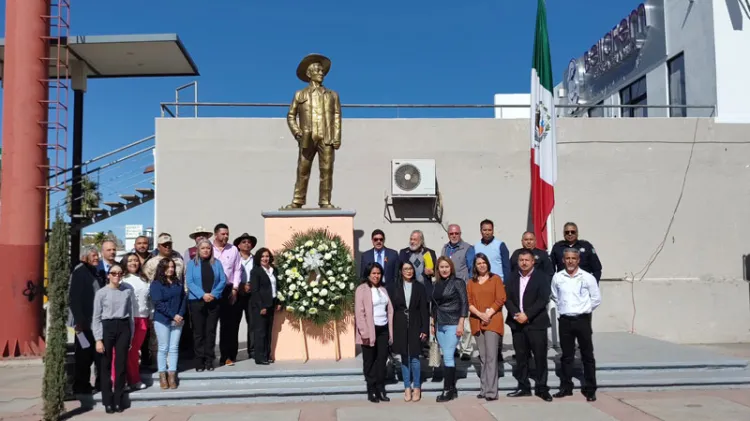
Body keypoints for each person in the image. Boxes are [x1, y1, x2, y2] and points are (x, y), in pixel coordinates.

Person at [283, 53, 342, 209]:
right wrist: (297, 132)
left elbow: (337, 116)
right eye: (317, 70)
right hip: (307, 137)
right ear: (309, 74)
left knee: (327, 171)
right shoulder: (300, 94)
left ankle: (325, 201)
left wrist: (337, 137)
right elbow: (290, 116)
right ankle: (298, 200)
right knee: (303, 169)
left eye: (322, 70)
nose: (321, 73)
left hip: (327, 137)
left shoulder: (332, 95)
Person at [551, 248, 602, 402]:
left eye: (574, 258)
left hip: (582, 320)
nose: (571, 261)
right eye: (568, 258)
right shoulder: (558, 277)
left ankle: (590, 389)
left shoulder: (587, 277)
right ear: (563, 260)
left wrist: (584, 310)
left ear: (578, 260)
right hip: (565, 321)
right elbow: (554, 295)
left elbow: (596, 298)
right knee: (566, 356)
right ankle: (566, 387)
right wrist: (565, 309)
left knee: (587, 355)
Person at [505, 249, 552, 402]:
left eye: (527, 260)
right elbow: (507, 298)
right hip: (517, 323)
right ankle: (523, 386)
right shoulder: (511, 277)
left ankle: (541, 387)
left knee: (540, 357)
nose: (524, 263)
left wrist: (527, 315)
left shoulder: (542, 277)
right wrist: (517, 314)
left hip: (536, 323)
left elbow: (543, 299)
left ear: (533, 262)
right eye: (521, 260)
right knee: (521, 357)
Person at [92, 263, 135, 414]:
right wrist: (98, 339)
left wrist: (131, 335)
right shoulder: (101, 293)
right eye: (114, 273)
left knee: (121, 365)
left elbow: (130, 314)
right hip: (107, 327)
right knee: (105, 365)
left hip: (123, 327)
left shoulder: (127, 291)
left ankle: (118, 399)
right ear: (108, 275)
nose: (117, 276)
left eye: (119, 273)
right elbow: (96, 317)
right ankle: (107, 401)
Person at [387, 261, 429, 402]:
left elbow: (424, 309)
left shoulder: (420, 287)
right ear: (401, 271)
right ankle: (406, 386)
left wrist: (425, 328)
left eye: (410, 268)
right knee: (404, 357)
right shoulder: (394, 287)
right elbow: (390, 309)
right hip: (399, 324)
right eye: (405, 269)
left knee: (415, 358)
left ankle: (416, 387)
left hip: (416, 323)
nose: (408, 271)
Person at [467, 253, 506, 401]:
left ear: (488, 263)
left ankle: (491, 391)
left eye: (484, 262)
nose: (482, 265)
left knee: (491, 357)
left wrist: (488, 313)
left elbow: (501, 298)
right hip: (477, 321)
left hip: (492, 321)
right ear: (475, 266)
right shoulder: (471, 282)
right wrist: (479, 314)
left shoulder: (495, 279)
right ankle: (483, 388)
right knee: (483, 357)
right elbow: (468, 301)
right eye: (479, 263)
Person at [355, 262, 394, 403]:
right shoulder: (362, 289)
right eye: (374, 273)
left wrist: (390, 332)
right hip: (369, 330)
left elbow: (389, 310)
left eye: (378, 273)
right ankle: (371, 390)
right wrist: (364, 332)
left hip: (383, 328)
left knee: (382, 359)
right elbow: (359, 313)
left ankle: (380, 389)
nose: (376, 276)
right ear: (368, 274)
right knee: (369, 361)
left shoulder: (383, 289)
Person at [68, 246, 105, 395]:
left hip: (93, 323)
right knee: (83, 355)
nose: (97, 258)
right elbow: (74, 298)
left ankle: (97, 383)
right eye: (93, 256)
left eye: (97, 256)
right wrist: (79, 321)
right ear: (85, 257)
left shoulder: (93, 271)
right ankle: (81, 385)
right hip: (83, 325)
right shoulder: (79, 272)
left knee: (96, 355)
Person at [431, 257, 468, 402]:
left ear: (451, 267)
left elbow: (464, 303)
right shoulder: (436, 284)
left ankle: (447, 390)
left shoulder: (458, 282)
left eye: (447, 266)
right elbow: (433, 305)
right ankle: (452, 388)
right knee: (446, 355)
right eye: (441, 267)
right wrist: (432, 322)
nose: (444, 269)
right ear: (438, 269)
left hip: (453, 322)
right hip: (439, 323)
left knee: (448, 355)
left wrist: (461, 323)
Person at [185, 239, 226, 372]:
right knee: (198, 332)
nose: (206, 250)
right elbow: (190, 282)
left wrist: (213, 294)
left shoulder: (217, 263)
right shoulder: (192, 264)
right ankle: (199, 360)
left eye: (208, 248)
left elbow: (222, 280)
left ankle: (209, 360)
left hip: (213, 301)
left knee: (210, 331)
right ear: (198, 250)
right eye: (203, 248)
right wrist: (202, 294)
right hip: (197, 301)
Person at [150, 259, 187, 390]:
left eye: (172, 267)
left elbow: (183, 298)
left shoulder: (178, 283)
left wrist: (180, 314)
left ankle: (172, 374)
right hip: (162, 320)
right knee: (163, 347)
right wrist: (173, 315)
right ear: (162, 269)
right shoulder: (156, 284)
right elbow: (158, 303)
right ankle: (162, 375)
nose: (171, 269)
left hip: (177, 319)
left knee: (174, 348)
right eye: (168, 267)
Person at [117, 252, 151, 391]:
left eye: (136, 260)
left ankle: (134, 380)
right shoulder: (122, 279)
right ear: (125, 262)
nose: (133, 263)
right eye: (130, 260)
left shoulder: (144, 279)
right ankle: (124, 380)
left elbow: (149, 299)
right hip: (127, 319)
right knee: (125, 350)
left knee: (135, 351)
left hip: (143, 318)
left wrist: (151, 315)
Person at [249, 247, 282, 365]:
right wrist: (261, 306)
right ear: (258, 258)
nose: (265, 258)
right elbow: (255, 290)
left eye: (267, 256)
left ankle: (267, 355)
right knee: (260, 332)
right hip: (261, 305)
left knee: (268, 331)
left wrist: (278, 302)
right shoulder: (256, 271)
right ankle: (259, 357)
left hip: (272, 303)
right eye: (262, 256)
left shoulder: (274, 270)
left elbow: (278, 286)